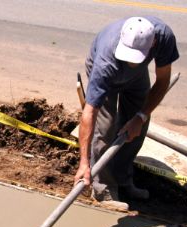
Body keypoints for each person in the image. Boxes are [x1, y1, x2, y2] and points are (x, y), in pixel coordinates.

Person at [74, 16, 179, 210]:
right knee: (105, 127)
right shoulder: (105, 63)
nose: (130, 60)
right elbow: (89, 113)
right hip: (109, 71)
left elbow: (163, 81)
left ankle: (122, 179)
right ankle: (102, 187)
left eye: (135, 56)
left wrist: (140, 117)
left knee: (137, 127)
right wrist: (83, 163)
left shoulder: (163, 37)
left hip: (137, 76)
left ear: (153, 43)